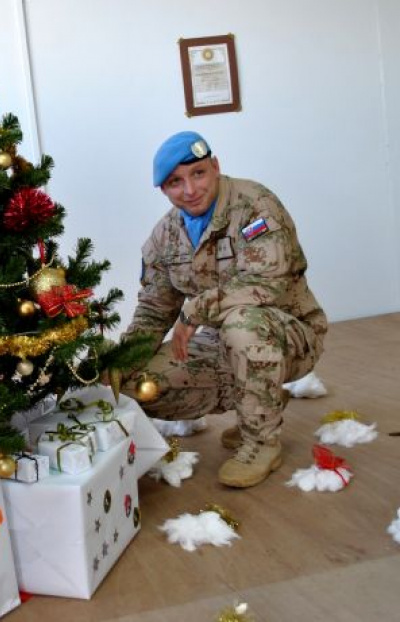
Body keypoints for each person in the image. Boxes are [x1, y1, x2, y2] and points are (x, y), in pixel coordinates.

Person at [120, 130, 327, 488]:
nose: (190, 189)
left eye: (198, 173)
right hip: (224, 343)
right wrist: (123, 359)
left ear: (215, 166)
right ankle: (259, 402)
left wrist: (195, 310)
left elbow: (267, 282)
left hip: (288, 335)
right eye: (175, 182)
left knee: (243, 323)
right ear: (163, 189)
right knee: (140, 384)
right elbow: (153, 310)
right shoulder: (164, 237)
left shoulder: (255, 205)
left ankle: (261, 441)